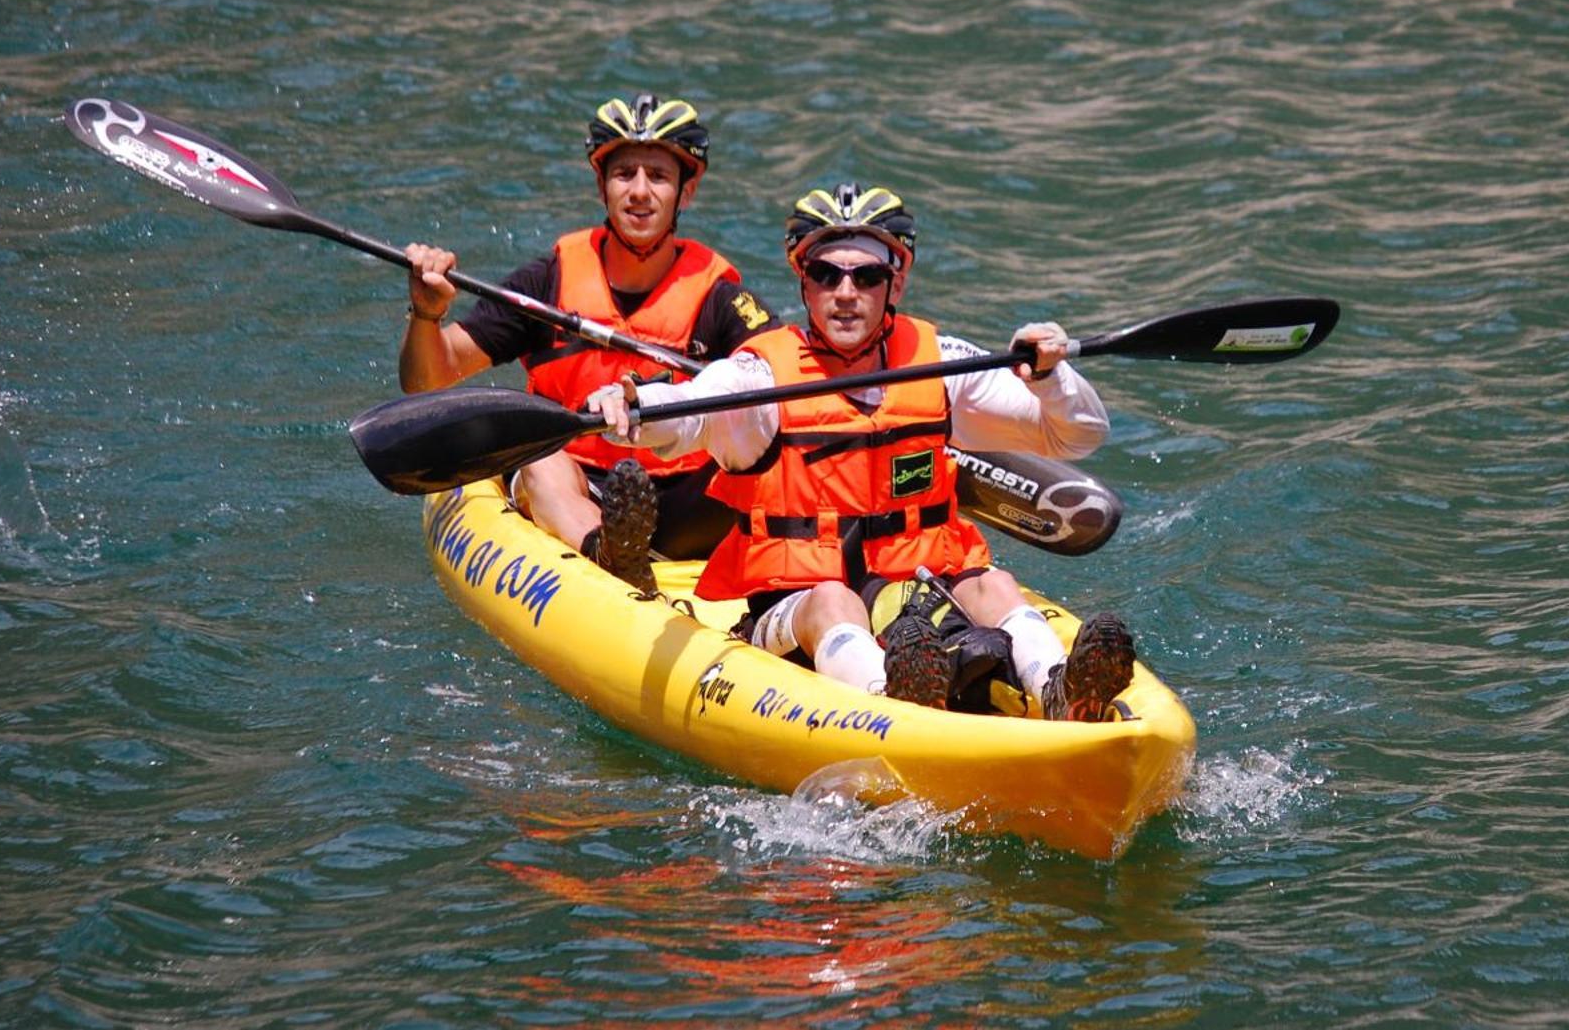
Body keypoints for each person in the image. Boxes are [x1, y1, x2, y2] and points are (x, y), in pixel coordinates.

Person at [587, 183, 1136, 721]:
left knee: (992, 583)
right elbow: (690, 411)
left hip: (916, 595)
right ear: (804, 284)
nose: (845, 292)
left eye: (866, 276)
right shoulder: (760, 377)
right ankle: (890, 701)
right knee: (833, 598)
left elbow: (1077, 435)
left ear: (894, 285)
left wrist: (1050, 378)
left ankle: (1057, 688)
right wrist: (636, 404)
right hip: (796, 613)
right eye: (826, 274)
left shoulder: (941, 365)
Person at [400, 94, 780, 584]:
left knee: (767, 456)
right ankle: (605, 554)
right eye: (624, 175)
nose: (640, 192)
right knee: (539, 460)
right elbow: (427, 379)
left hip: (684, 497)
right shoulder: (547, 282)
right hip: (582, 485)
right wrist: (426, 315)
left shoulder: (720, 299)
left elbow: (780, 375)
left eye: (659, 177)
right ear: (601, 184)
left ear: (687, 191)